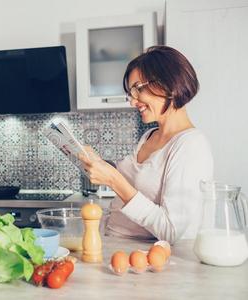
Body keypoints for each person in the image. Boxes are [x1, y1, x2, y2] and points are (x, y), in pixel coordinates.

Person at [79, 46, 213, 244]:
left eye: (137, 89)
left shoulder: (191, 146)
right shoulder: (149, 135)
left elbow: (173, 232)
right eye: (131, 93)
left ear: (168, 83)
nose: (132, 102)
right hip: (111, 246)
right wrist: (99, 165)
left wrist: (115, 180)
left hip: (140, 260)